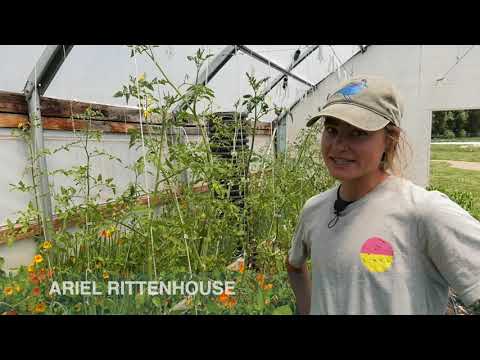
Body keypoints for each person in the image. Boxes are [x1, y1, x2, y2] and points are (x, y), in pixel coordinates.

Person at [286, 74, 480, 315]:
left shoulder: (423, 212)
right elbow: (294, 265)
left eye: (358, 133)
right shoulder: (314, 209)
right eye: (332, 130)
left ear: (390, 140)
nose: (338, 144)